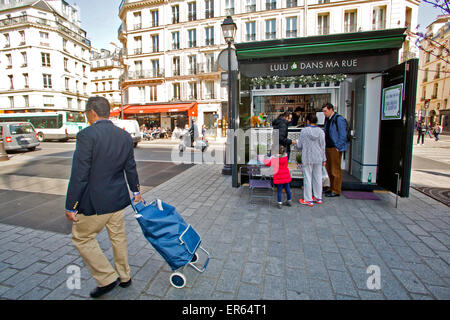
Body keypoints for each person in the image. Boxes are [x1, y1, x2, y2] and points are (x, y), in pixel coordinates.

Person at [65, 96, 142, 299]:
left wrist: (71, 205)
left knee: (81, 237)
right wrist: (136, 191)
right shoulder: (124, 136)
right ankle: (125, 276)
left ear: (92, 112)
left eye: (86, 113)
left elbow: (80, 174)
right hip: (118, 199)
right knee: (118, 237)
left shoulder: (86, 135)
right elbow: (130, 168)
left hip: (96, 201)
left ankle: (106, 278)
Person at [296, 113, 327, 206]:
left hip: (307, 157)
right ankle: (318, 197)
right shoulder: (321, 132)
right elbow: (323, 147)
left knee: (307, 178)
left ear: (308, 121)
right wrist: (324, 159)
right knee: (318, 177)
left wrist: (296, 143)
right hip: (318, 157)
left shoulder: (304, 131)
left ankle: (308, 199)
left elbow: (299, 145)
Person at [322, 103, 349, 197]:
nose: (324, 113)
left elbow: (343, 135)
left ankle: (336, 190)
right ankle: (331, 187)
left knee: (335, 170)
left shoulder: (338, 119)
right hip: (328, 147)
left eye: (325, 111)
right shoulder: (328, 119)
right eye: (323, 111)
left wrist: (338, 146)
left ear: (331, 110)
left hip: (334, 148)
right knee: (329, 169)